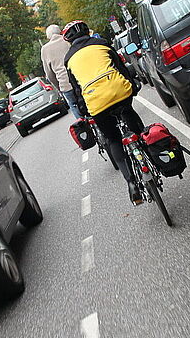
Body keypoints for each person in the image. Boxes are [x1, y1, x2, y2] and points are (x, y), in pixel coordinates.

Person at [62, 20, 145, 205]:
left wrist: (84, 111)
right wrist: (133, 84)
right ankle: (148, 155)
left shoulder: (69, 59)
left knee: (114, 139)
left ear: (69, 40)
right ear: (87, 32)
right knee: (129, 114)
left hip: (96, 103)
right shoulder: (102, 43)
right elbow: (121, 68)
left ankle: (132, 184)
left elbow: (77, 89)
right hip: (119, 91)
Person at [41, 25, 82, 119]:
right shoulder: (68, 40)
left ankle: (83, 127)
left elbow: (49, 75)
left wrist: (59, 87)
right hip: (79, 79)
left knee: (74, 105)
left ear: (48, 37)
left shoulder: (45, 50)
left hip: (65, 84)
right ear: (60, 32)